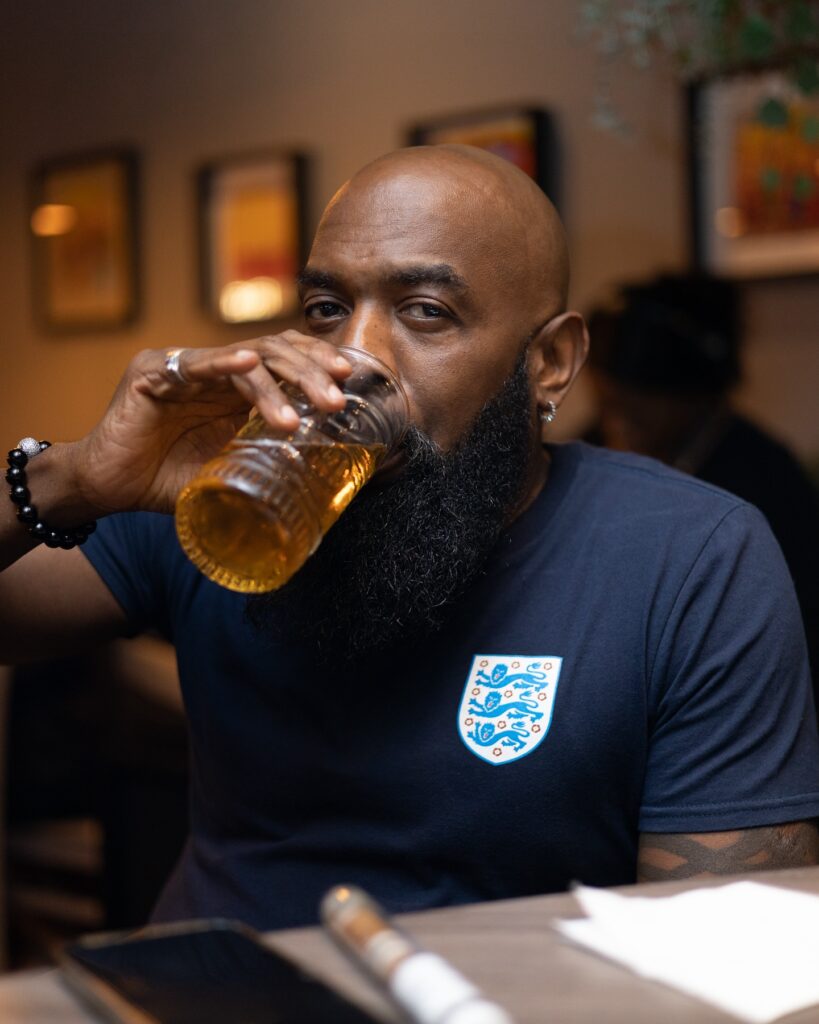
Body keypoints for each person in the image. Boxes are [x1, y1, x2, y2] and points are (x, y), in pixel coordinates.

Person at [2, 146, 818, 931]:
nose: (354, 359)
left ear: (551, 363)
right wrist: (72, 479)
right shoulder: (227, 499)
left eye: (426, 313)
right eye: (326, 310)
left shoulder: (687, 556)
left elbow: (718, 962)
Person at [585, 274, 819, 692]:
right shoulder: (587, 454)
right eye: (606, 404)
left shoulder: (762, 483)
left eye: (634, 410)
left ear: (695, 397)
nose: (615, 426)